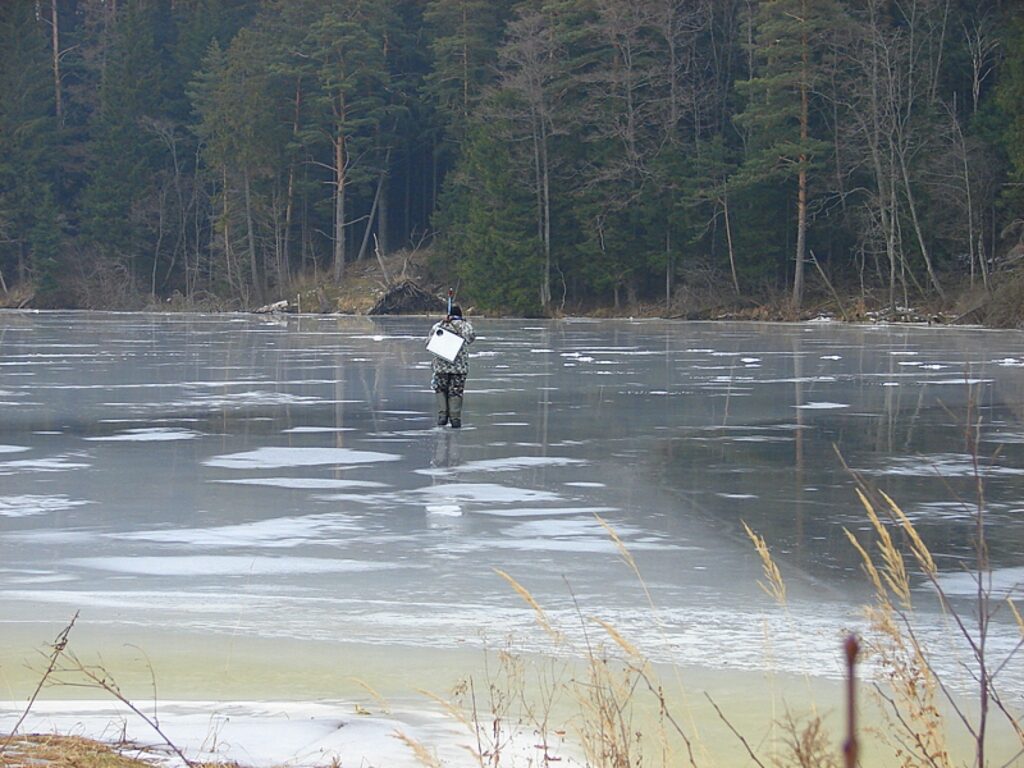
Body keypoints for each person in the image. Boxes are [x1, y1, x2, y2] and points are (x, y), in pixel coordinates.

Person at [428, 304, 475, 428]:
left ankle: (442, 416)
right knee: (456, 392)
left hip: (441, 367)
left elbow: (429, 342)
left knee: (440, 389)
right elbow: (471, 338)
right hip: (459, 368)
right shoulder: (465, 326)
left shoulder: (439, 326)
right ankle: (455, 418)